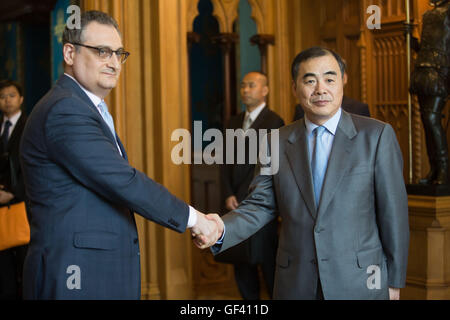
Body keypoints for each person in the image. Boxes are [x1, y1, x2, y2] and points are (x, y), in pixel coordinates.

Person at [19, 10, 221, 300]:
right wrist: (195, 219)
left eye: (118, 53)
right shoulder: (65, 109)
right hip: (74, 275)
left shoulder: (86, 107)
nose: (114, 63)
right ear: (69, 52)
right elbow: (123, 181)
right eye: (102, 51)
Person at [197, 47, 409, 300]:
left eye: (329, 79)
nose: (320, 89)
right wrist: (220, 228)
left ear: (342, 82)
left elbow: (393, 213)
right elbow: (260, 205)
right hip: (296, 282)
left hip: (360, 282)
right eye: (310, 80)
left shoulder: (376, 136)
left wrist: (394, 281)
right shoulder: (275, 141)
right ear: (295, 88)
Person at [219, 71, 284, 300]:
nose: (245, 90)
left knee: (267, 262)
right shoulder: (233, 121)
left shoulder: (274, 121)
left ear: (265, 90)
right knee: (241, 263)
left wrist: (249, 195)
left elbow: (269, 166)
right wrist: (228, 193)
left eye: (251, 85)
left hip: (260, 204)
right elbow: (224, 161)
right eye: (243, 85)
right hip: (234, 204)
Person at [408, 0, 450, 185]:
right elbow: (425, 48)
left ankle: (443, 168)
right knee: (426, 120)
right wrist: (410, 39)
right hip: (423, 70)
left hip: (441, 70)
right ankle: (434, 168)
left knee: (432, 119)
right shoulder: (428, 15)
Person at [0, 80, 28, 299]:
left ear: (20, 99)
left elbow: (33, 167)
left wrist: (15, 193)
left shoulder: (29, 126)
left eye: (11, 95)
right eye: (2, 97)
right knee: (4, 268)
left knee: (25, 263)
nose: (7, 100)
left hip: (22, 205)